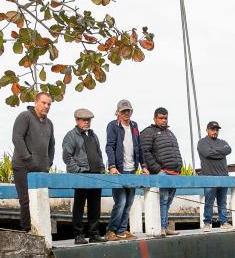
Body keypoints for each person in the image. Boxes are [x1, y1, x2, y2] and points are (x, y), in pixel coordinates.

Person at [104, 99, 148, 241]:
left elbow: (139, 148)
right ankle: (111, 230)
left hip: (132, 170)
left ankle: (122, 230)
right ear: (117, 112)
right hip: (119, 170)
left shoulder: (134, 126)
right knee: (121, 201)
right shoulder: (112, 126)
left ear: (131, 111)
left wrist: (144, 166)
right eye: (123, 111)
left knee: (129, 202)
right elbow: (109, 146)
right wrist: (112, 166)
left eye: (128, 110)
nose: (126, 113)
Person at [11, 92, 55, 232]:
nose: (46, 106)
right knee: (26, 201)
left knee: (41, 201)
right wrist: (28, 158)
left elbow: (52, 145)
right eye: (44, 103)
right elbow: (17, 138)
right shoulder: (25, 116)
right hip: (23, 166)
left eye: (49, 104)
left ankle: (40, 231)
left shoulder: (49, 123)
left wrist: (49, 162)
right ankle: (26, 231)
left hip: (41, 169)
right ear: (36, 102)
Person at [62, 108, 106, 245]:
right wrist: (78, 171)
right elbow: (67, 157)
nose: (87, 122)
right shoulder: (71, 135)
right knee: (79, 206)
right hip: (81, 176)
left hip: (96, 175)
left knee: (95, 206)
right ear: (77, 120)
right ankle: (78, 235)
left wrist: (102, 169)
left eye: (89, 120)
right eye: (84, 120)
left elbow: (99, 154)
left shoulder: (94, 135)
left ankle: (94, 234)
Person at [139, 107, 182, 237]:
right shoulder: (148, 132)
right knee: (162, 200)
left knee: (168, 201)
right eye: (161, 118)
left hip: (175, 173)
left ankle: (164, 226)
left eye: (165, 118)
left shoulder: (170, 133)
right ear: (155, 118)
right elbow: (145, 152)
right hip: (162, 173)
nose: (163, 120)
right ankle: (161, 228)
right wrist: (157, 169)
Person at [197, 121, 232, 230]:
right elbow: (207, 153)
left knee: (222, 201)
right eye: (212, 129)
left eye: (217, 130)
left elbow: (228, 149)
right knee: (209, 201)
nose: (215, 131)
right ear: (207, 130)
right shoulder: (202, 142)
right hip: (209, 177)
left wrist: (214, 152)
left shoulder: (223, 141)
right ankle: (207, 223)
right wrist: (220, 153)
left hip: (223, 177)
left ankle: (223, 221)